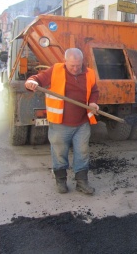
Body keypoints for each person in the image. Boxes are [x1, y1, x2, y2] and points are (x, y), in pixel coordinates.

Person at [25, 48, 99, 195]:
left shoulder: (89, 73)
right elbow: (37, 79)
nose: (76, 68)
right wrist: (30, 82)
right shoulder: (56, 70)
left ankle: (82, 182)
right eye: (72, 65)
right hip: (60, 124)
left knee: (82, 152)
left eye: (78, 65)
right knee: (59, 152)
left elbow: (94, 91)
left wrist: (93, 102)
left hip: (82, 122)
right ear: (65, 61)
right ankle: (61, 181)